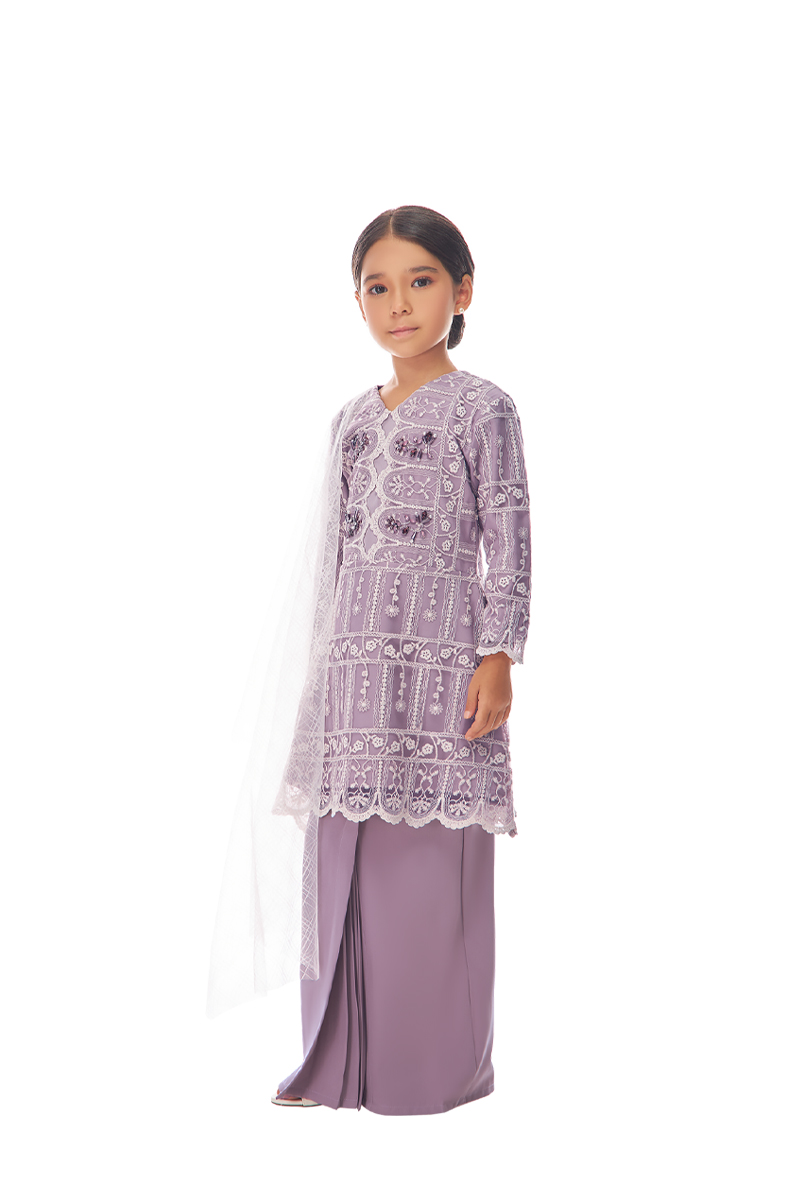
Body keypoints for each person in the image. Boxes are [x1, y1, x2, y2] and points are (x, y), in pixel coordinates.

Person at [269, 205, 533, 1114]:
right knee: (343, 856)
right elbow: (335, 561)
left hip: (441, 667)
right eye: (377, 288)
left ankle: (434, 1071)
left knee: (426, 870)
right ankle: (333, 1063)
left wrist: (498, 654)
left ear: (463, 291)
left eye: (420, 282)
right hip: (353, 672)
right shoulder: (349, 421)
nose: (399, 305)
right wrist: (320, 682)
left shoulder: (485, 408)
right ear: (358, 303)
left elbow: (510, 538)